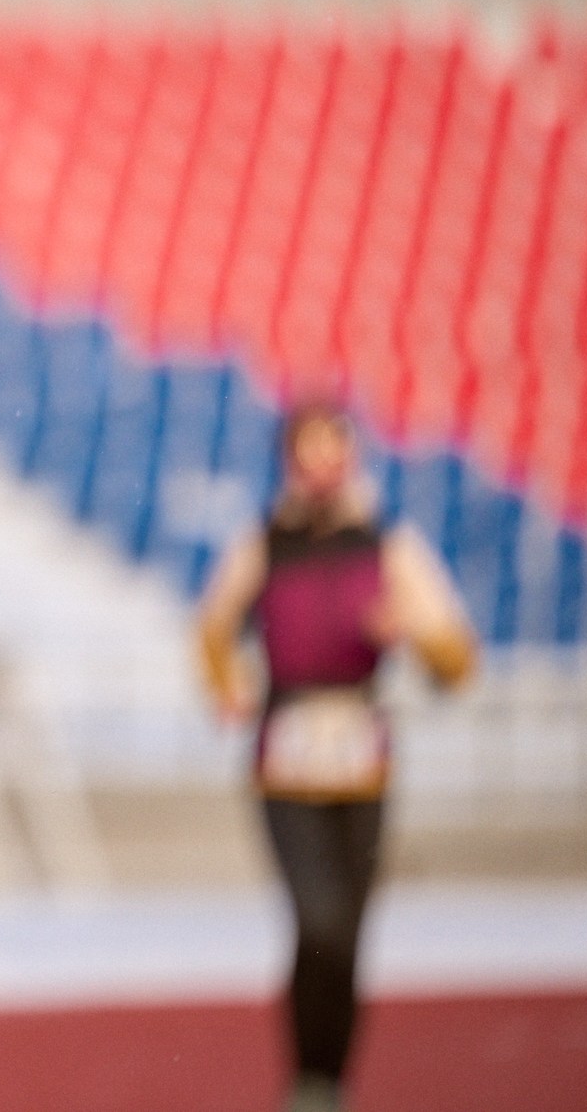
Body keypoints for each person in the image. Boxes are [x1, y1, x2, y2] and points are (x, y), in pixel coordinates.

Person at [197, 399, 478, 1112]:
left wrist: (411, 632)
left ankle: (331, 1080)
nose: (321, 466)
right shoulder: (263, 543)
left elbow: (457, 662)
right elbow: (214, 628)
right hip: (286, 758)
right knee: (317, 919)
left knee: (348, 932)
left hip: (361, 760)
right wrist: (228, 686)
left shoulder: (390, 547)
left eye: (334, 449)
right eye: (308, 450)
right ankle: (308, 1082)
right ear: (289, 460)